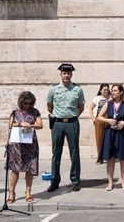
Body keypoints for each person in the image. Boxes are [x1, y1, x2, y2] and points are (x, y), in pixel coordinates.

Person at [46, 63, 85, 193]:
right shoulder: (53, 89)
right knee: (56, 153)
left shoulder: (77, 89)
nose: (66, 75)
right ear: (61, 74)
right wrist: (59, 116)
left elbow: (81, 107)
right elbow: (49, 106)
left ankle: (75, 181)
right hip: (58, 123)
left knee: (74, 153)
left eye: (68, 73)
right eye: (64, 73)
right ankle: (54, 181)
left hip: (72, 123)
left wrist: (71, 117)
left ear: (71, 74)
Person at [6, 91, 43, 203]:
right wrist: (20, 123)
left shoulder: (35, 112)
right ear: (21, 102)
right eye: (25, 103)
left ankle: (28, 192)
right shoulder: (15, 112)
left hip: (31, 144)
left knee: (29, 168)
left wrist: (30, 125)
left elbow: (40, 125)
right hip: (17, 145)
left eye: (29, 103)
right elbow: (10, 124)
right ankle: (11, 192)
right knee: (15, 169)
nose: (27, 105)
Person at [97, 84, 124, 191]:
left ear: (121, 92)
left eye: (115, 90)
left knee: (123, 158)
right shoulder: (108, 104)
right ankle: (110, 183)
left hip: (123, 133)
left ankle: (123, 182)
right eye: (112, 91)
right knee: (110, 159)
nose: (112, 92)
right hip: (110, 133)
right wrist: (108, 120)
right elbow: (99, 116)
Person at [89, 83, 110, 164]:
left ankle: (108, 156)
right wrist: (93, 118)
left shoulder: (111, 99)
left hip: (109, 120)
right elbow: (90, 108)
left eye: (107, 90)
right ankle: (100, 157)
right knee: (99, 139)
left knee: (109, 139)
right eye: (104, 90)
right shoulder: (97, 98)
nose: (106, 91)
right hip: (99, 120)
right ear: (100, 90)